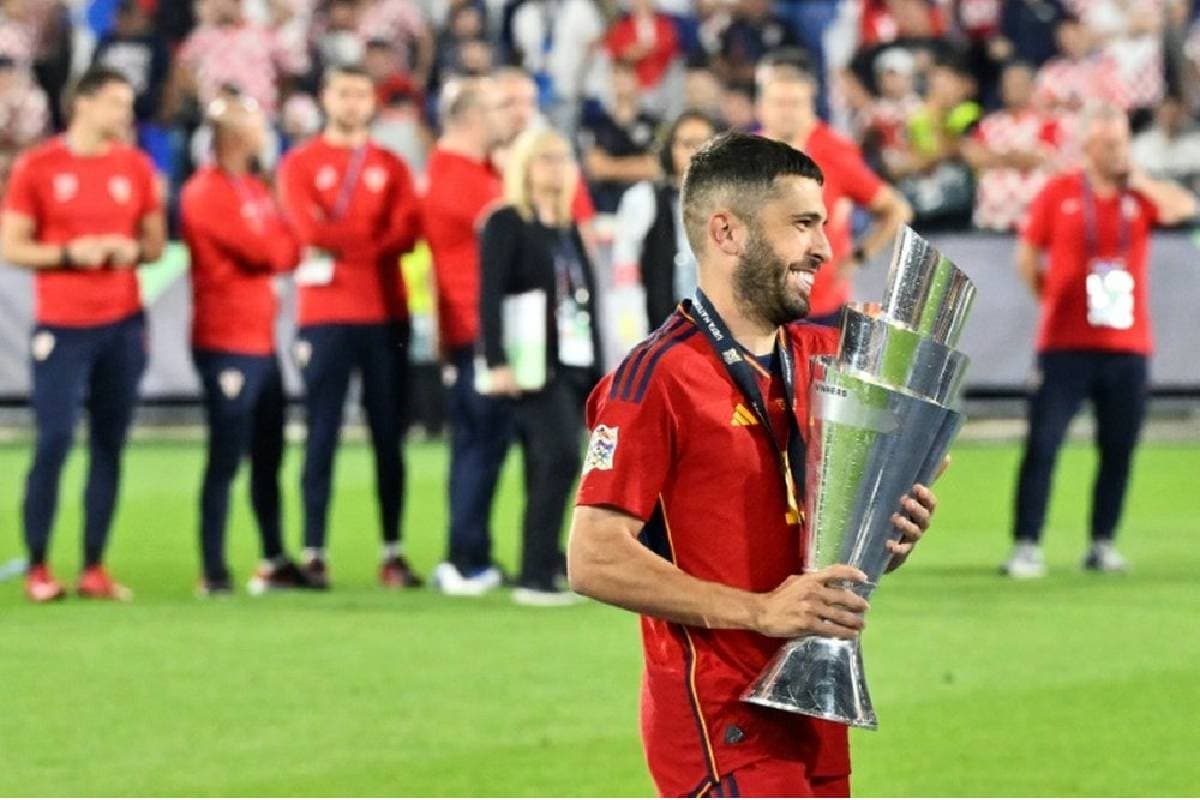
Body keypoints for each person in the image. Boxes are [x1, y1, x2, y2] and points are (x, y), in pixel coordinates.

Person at [566, 132, 938, 796]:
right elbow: (593, 555)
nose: (823, 247)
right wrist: (760, 612)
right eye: (802, 224)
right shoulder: (656, 378)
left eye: (822, 224)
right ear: (728, 232)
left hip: (816, 709)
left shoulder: (824, 357)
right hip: (722, 724)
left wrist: (886, 536)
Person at [1004, 106, 1196, 579]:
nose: (1117, 152)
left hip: (1128, 344)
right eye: (1108, 144)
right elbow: (1027, 256)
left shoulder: (1141, 194)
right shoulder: (1060, 191)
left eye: (1122, 144)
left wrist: (1142, 179)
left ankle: (1102, 541)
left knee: (1119, 446)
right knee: (1044, 443)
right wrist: (1050, 298)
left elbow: (1184, 210)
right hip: (1065, 342)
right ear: (1088, 145)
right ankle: (1027, 543)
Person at [0, 67, 165, 602]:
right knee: (53, 441)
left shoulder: (135, 166)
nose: (126, 114)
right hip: (64, 328)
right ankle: (39, 567)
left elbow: (155, 243)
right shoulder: (39, 166)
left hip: (122, 324)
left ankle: (94, 566)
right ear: (84, 104)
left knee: (110, 445)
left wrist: (130, 251)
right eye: (117, 103)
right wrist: (71, 254)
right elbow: (12, 246)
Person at [277, 63, 423, 590]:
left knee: (390, 437)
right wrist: (367, 238)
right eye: (344, 92)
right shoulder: (299, 163)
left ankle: (393, 551)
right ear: (324, 97)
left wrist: (343, 240)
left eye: (363, 93)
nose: (354, 102)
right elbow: (307, 229)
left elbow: (408, 231)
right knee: (320, 434)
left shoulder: (392, 164)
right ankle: (313, 551)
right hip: (325, 316)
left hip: (385, 313)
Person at [180, 95, 313, 596]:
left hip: (260, 341)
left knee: (269, 455)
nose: (265, 131)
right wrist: (279, 243)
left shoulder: (251, 188)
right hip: (225, 341)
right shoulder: (204, 193)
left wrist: (280, 243)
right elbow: (270, 250)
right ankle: (212, 569)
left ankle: (273, 557)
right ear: (234, 135)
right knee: (225, 457)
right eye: (256, 124)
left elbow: (289, 249)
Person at [478, 127, 602, 606]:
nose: (556, 166)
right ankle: (533, 574)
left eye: (562, 157)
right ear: (525, 166)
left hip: (573, 360)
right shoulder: (506, 221)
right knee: (558, 455)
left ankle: (546, 560)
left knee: (548, 462)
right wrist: (496, 360)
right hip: (532, 362)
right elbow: (489, 292)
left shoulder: (567, 226)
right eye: (545, 158)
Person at [423, 76, 508, 595]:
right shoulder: (456, 179)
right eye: (498, 108)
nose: (508, 119)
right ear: (474, 117)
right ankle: (461, 557)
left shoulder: (474, 171)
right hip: (473, 329)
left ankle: (474, 552)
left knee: (487, 443)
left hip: (478, 326)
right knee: (477, 443)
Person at [756, 56, 910, 325]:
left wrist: (859, 257)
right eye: (778, 103)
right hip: (759, 306)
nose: (786, 111)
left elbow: (896, 210)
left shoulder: (834, 151)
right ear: (761, 107)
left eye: (795, 103)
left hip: (819, 307)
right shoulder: (745, 154)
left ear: (811, 106)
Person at [611, 109, 720, 330]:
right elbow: (625, 272)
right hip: (658, 327)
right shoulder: (642, 199)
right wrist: (631, 336)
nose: (696, 152)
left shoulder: (733, 205)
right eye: (687, 144)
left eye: (704, 143)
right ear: (670, 150)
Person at [962, 60, 1061, 232]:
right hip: (991, 218)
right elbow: (974, 157)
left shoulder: (1047, 122)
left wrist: (995, 157)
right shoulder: (989, 123)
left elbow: (1041, 158)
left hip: (1031, 216)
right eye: (1008, 84)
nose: (1012, 88)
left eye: (1018, 83)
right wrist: (1014, 157)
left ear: (1031, 87)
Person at [577, 61, 662, 214]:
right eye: (616, 76)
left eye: (626, 76)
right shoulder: (596, 123)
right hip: (605, 207)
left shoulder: (653, 123)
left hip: (645, 209)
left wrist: (610, 166)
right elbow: (595, 168)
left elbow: (655, 167)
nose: (621, 82)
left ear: (638, 80)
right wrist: (637, 166)